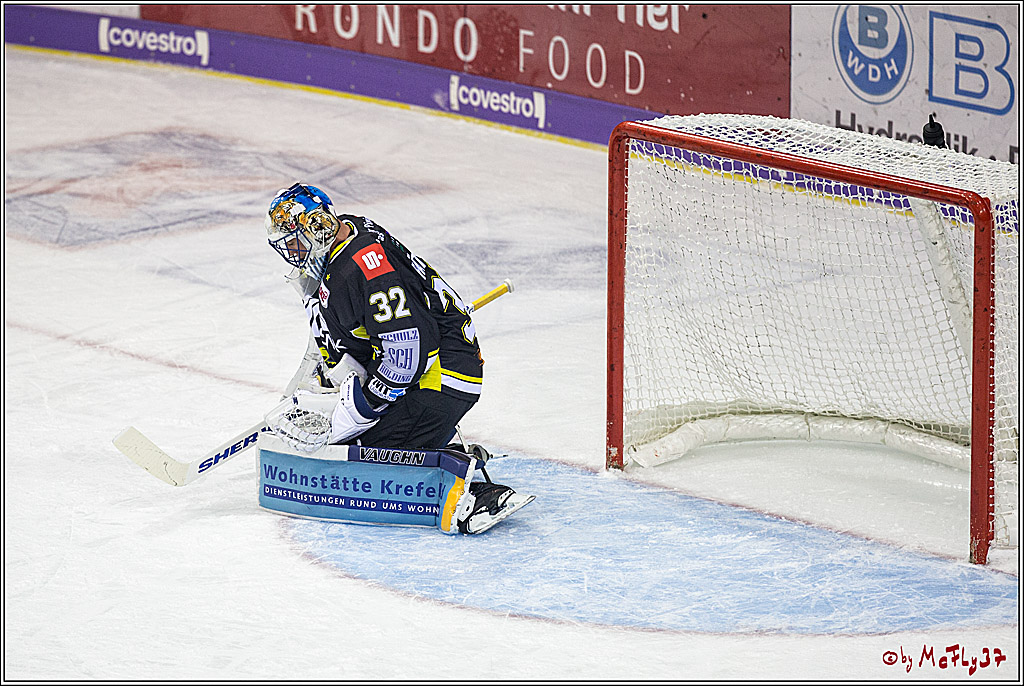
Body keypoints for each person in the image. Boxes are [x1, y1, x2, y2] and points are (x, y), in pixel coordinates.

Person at [262, 182, 533, 533]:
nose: (292, 253)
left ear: (318, 226)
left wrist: (361, 408)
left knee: (361, 455)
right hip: (420, 368)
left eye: (295, 241)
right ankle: (435, 441)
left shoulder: (359, 266)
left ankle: (471, 494)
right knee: (348, 439)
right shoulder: (346, 236)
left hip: (442, 376)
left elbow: (405, 355)